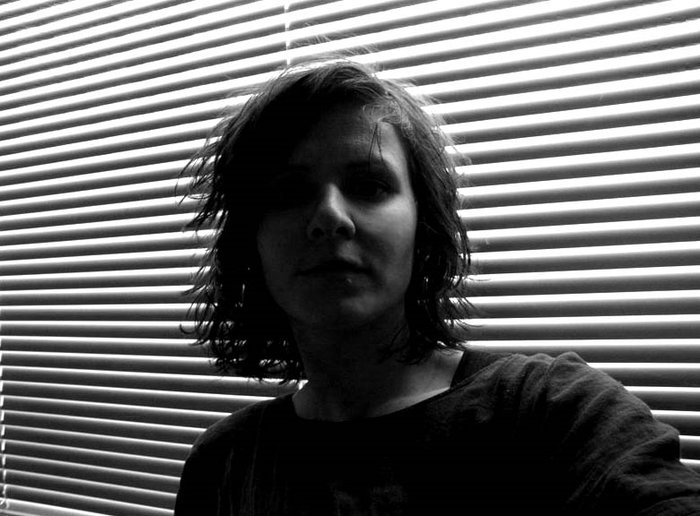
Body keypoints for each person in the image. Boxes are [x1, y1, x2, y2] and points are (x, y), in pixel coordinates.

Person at [174, 58, 700, 515]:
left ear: (422, 228)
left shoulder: (551, 411)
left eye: (368, 186)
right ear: (251, 243)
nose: (330, 216)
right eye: (289, 192)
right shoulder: (224, 465)